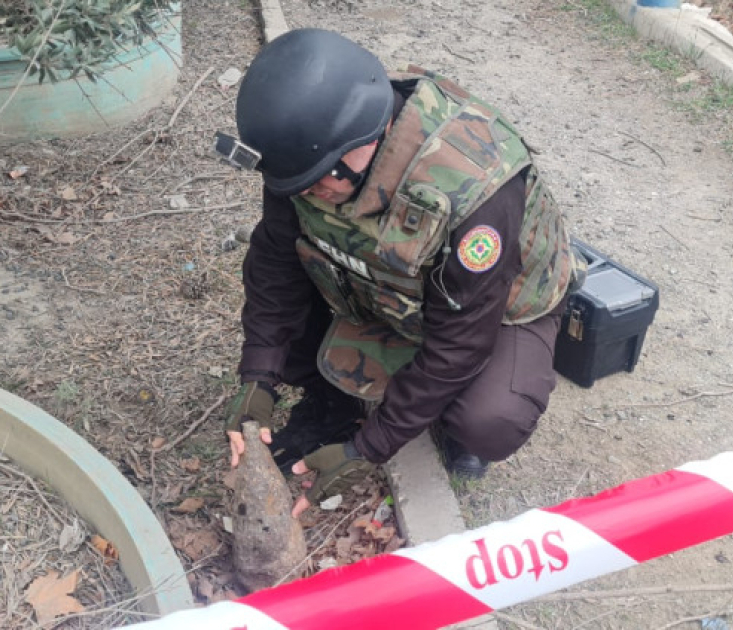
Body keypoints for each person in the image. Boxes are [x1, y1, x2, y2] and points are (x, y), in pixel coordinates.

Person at [218, 28, 582, 518]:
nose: (304, 193)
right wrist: (258, 376)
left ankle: (455, 420)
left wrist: (371, 447)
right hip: (393, 284)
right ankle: (331, 403)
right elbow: (275, 265)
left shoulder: (476, 189)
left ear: (360, 141)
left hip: (497, 305)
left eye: (314, 182)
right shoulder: (309, 155)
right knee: (293, 299)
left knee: (489, 420)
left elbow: (461, 340)